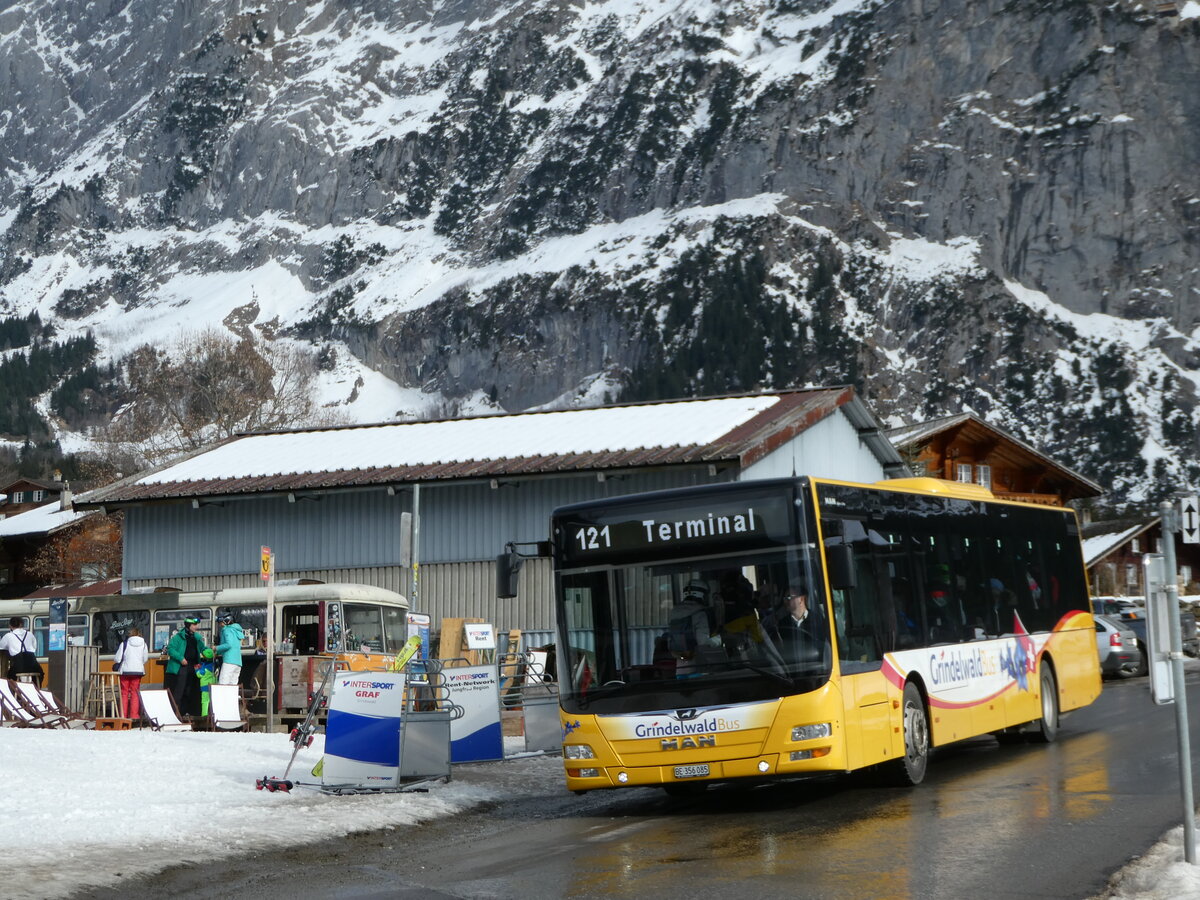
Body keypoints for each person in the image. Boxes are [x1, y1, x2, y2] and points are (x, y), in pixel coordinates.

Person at [165, 617, 209, 717]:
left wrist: (210, 653)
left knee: (190, 691)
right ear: (188, 625)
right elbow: (170, 649)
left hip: (194, 667)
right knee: (180, 691)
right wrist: (181, 658)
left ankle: (186, 712)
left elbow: (203, 648)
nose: (196, 627)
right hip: (182, 666)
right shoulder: (178, 637)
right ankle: (176, 714)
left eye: (196, 625)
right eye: (194, 625)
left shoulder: (197, 638)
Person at [775, 583, 823, 666]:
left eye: (789, 597)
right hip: (791, 668)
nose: (785, 601)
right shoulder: (782, 624)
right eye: (784, 598)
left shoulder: (818, 620)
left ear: (801, 599)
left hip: (815, 667)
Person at [113, 626, 149, 719]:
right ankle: (134, 715)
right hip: (137, 672)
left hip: (125, 671)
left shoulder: (124, 644)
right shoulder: (144, 644)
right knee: (135, 693)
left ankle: (123, 715)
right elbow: (145, 659)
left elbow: (117, 659)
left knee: (124, 693)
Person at [1, 616, 42, 685]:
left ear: (10, 626)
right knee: (40, 673)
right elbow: (34, 647)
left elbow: (2, 647)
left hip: (18, 665)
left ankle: (16, 693)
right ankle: (36, 688)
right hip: (32, 663)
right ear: (21, 624)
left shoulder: (8, 636)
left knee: (9, 676)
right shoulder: (29, 634)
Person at [214, 611, 245, 686]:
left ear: (226, 621)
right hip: (238, 662)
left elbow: (229, 644)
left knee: (223, 684)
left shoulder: (227, 630)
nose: (220, 624)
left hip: (229, 661)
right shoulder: (236, 630)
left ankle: (223, 698)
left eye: (220, 622)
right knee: (233, 685)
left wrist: (216, 648)